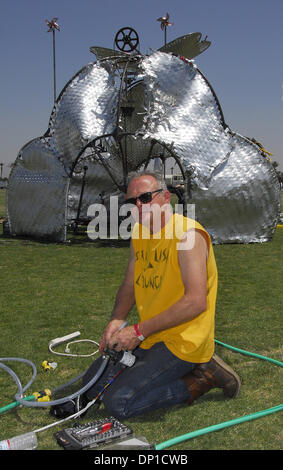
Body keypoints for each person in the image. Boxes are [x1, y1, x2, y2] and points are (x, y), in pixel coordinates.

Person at [51, 171, 241, 420]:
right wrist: (116, 321)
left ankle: (203, 378)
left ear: (165, 197)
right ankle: (97, 393)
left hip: (183, 342)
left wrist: (138, 331)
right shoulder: (140, 232)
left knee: (118, 403)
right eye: (132, 201)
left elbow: (195, 302)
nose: (138, 206)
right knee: (92, 382)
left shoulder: (188, 236)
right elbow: (130, 284)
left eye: (145, 197)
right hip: (150, 334)